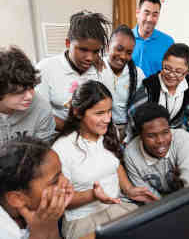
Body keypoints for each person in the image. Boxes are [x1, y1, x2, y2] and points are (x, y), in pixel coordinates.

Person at [52, 80, 158, 238]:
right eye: (99, 113)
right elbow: (59, 199)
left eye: (109, 111)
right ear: (78, 112)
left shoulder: (109, 131)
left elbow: (114, 165)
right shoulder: (61, 149)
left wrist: (129, 189)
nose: (107, 119)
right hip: (83, 220)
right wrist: (92, 195)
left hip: (116, 207)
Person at [36, 11, 111, 130]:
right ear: (67, 43)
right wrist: (76, 130)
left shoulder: (102, 70)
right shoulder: (45, 69)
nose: (89, 58)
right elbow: (40, 115)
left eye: (95, 51)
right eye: (83, 50)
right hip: (57, 136)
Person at [124, 103, 189, 199]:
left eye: (165, 132)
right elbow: (148, 196)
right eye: (151, 136)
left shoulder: (182, 139)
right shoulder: (131, 154)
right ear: (140, 136)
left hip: (187, 198)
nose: (160, 140)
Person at [0, 136, 74, 239]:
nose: (66, 182)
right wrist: (39, 232)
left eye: (62, 173)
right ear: (17, 199)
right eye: (55, 181)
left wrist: (50, 223)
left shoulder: (39, 212)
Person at [128, 43, 189, 140]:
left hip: (175, 137)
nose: (171, 75)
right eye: (167, 68)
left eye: (178, 71)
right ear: (162, 63)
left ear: (187, 72)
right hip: (148, 137)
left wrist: (185, 142)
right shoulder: (149, 87)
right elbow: (134, 119)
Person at [0, 46, 56, 146]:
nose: (29, 96)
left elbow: (42, 152)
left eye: (31, 87)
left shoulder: (41, 108)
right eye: (19, 92)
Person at [101, 24, 145, 141]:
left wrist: (128, 136)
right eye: (119, 49)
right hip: (102, 128)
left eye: (129, 52)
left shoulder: (138, 74)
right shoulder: (97, 69)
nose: (123, 56)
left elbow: (140, 108)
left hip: (129, 130)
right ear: (108, 46)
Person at [132, 0, 174, 77]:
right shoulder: (125, 39)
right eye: (146, 13)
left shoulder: (168, 42)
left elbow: (175, 70)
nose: (150, 19)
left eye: (155, 15)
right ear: (137, 13)